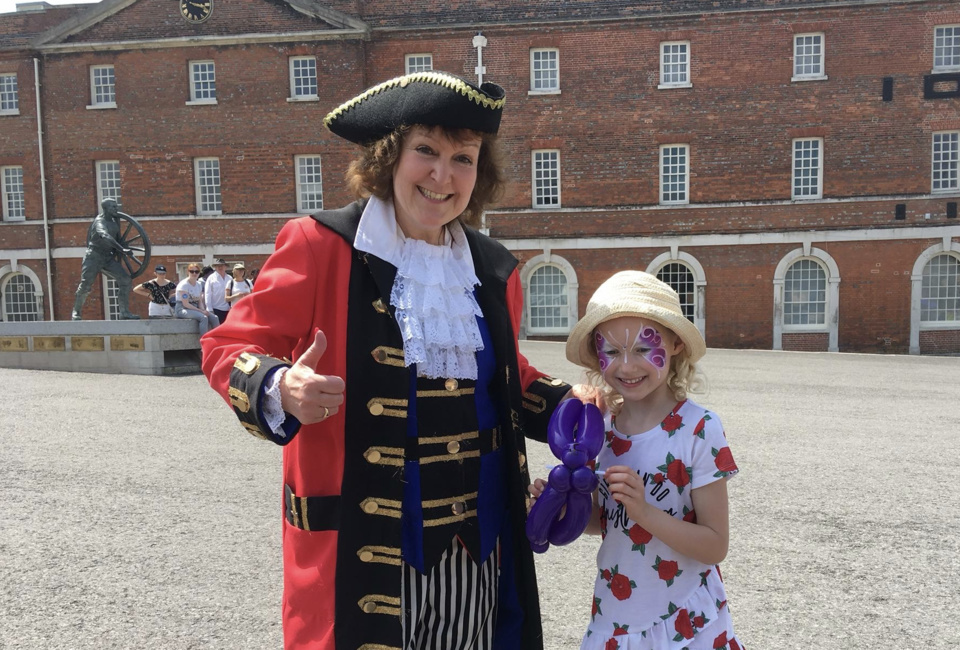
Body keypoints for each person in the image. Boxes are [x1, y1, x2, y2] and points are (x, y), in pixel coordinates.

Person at [200, 70, 597, 650]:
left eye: (464, 157)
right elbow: (224, 345)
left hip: (478, 542)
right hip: (367, 539)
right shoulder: (319, 246)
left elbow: (504, 378)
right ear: (390, 157)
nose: (443, 175)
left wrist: (574, 404)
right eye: (426, 151)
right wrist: (280, 385)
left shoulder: (492, 269)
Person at [533, 271, 743, 650]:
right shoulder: (601, 430)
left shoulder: (699, 429)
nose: (627, 367)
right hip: (615, 616)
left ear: (676, 343)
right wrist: (562, 504)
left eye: (645, 349)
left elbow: (715, 545)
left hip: (685, 621)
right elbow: (603, 520)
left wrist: (645, 511)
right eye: (612, 352)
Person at [71, 197, 140, 320]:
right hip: (93, 257)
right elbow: (105, 236)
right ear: (105, 209)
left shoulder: (114, 223)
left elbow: (117, 239)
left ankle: (124, 312)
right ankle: (76, 311)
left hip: (107, 258)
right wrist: (121, 249)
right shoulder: (99, 222)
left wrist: (120, 248)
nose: (116, 209)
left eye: (116, 206)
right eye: (113, 207)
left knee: (125, 280)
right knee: (86, 284)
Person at [176, 262, 219, 335]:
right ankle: (204, 341)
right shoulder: (183, 285)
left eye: (196, 271)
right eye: (192, 271)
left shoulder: (198, 284)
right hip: (182, 309)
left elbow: (199, 301)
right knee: (203, 317)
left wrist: (203, 310)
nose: (194, 273)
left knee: (214, 317)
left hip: (195, 307)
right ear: (188, 272)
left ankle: (218, 338)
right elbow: (186, 304)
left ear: (199, 273)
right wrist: (201, 311)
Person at [204, 258, 231, 323]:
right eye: (218, 266)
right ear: (215, 267)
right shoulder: (211, 278)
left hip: (228, 308)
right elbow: (207, 293)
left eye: (222, 265)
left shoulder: (230, 278)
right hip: (216, 308)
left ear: (226, 267)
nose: (220, 267)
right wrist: (209, 308)